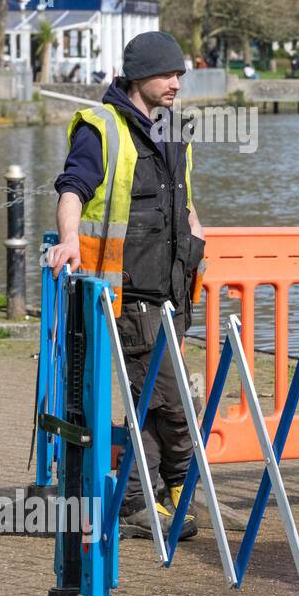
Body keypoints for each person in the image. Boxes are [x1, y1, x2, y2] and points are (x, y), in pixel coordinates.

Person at [46, 31, 208, 542]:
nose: (177, 83)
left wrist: (199, 243)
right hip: (129, 292)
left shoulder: (174, 128)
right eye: (167, 74)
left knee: (160, 400)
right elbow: (72, 188)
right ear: (139, 76)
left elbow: (182, 204)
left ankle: (158, 493)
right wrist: (69, 238)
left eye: (180, 74)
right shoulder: (103, 129)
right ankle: (148, 496)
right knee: (167, 399)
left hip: (175, 288)